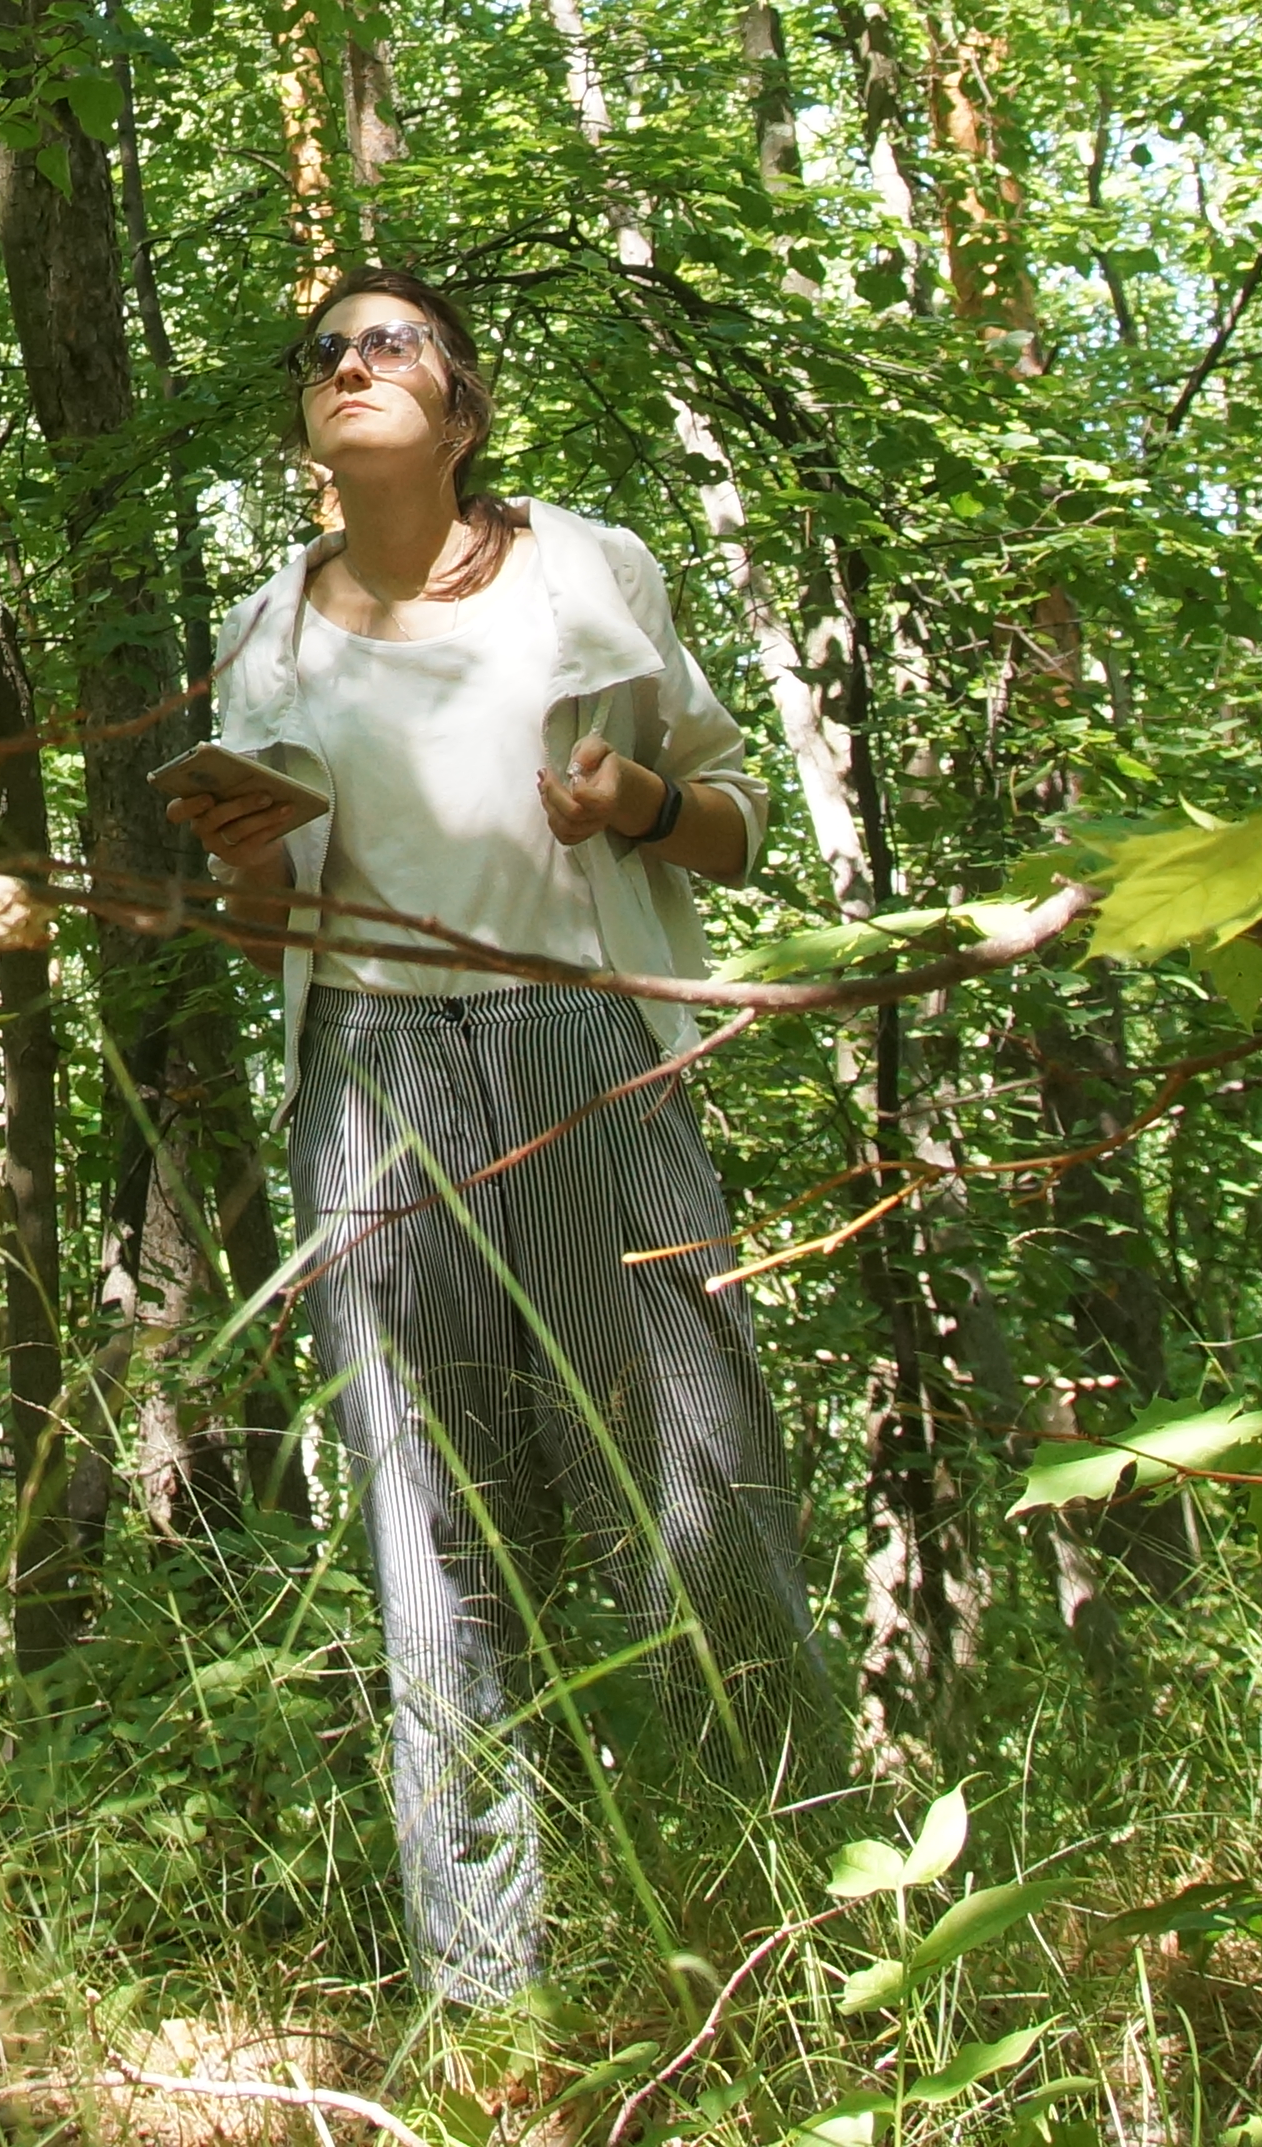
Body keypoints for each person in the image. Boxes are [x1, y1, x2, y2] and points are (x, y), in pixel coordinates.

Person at [160, 265, 823, 2015]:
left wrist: (647, 807)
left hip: (586, 1046)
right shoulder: (269, 631)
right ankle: (487, 1996)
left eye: (388, 345)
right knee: (429, 1533)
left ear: (459, 406)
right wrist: (240, 867)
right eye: (321, 354)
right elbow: (262, 929)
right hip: (372, 1080)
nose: (348, 369)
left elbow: (735, 816)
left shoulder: (587, 571)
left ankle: (810, 1925)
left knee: (697, 1491)